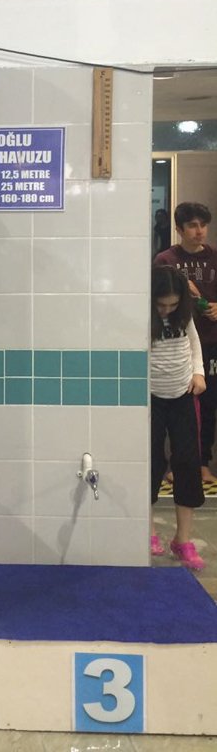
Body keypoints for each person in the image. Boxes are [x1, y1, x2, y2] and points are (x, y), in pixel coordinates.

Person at [154, 202, 217, 483]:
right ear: (179, 229)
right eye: (192, 226)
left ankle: (202, 463)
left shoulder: (214, 257)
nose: (199, 231)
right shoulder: (166, 260)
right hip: (175, 347)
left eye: (203, 225)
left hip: (210, 341)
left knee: (208, 405)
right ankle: (170, 466)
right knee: (171, 410)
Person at [150, 266, 206, 571]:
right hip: (151, 399)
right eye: (161, 305)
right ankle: (147, 530)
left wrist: (198, 372)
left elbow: (194, 342)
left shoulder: (183, 313)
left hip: (183, 394)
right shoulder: (143, 316)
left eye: (172, 304)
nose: (167, 310)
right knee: (151, 463)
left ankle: (182, 539)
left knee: (187, 462)